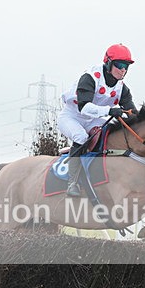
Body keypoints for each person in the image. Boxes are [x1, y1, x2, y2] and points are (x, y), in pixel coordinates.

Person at [57, 43, 138, 196]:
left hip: (93, 120)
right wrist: (109, 110)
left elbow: (132, 113)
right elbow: (84, 107)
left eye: (126, 66)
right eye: (120, 65)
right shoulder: (90, 77)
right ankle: (72, 182)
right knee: (80, 137)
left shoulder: (122, 89)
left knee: (111, 134)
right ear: (108, 63)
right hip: (72, 117)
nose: (123, 70)